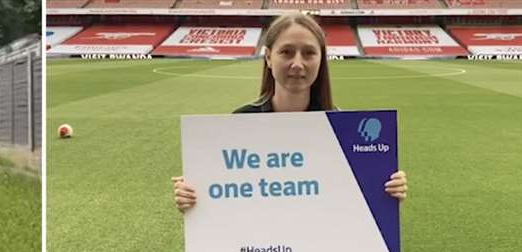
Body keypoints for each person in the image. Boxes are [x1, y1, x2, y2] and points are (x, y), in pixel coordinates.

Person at [173, 13, 407, 213]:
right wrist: (193, 195)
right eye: (286, 52)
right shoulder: (240, 123)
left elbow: (361, 205)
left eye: (308, 53)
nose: (297, 63)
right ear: (268, 57)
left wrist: (387, 191)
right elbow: (222, 195)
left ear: (320, 59)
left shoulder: (346, 129)